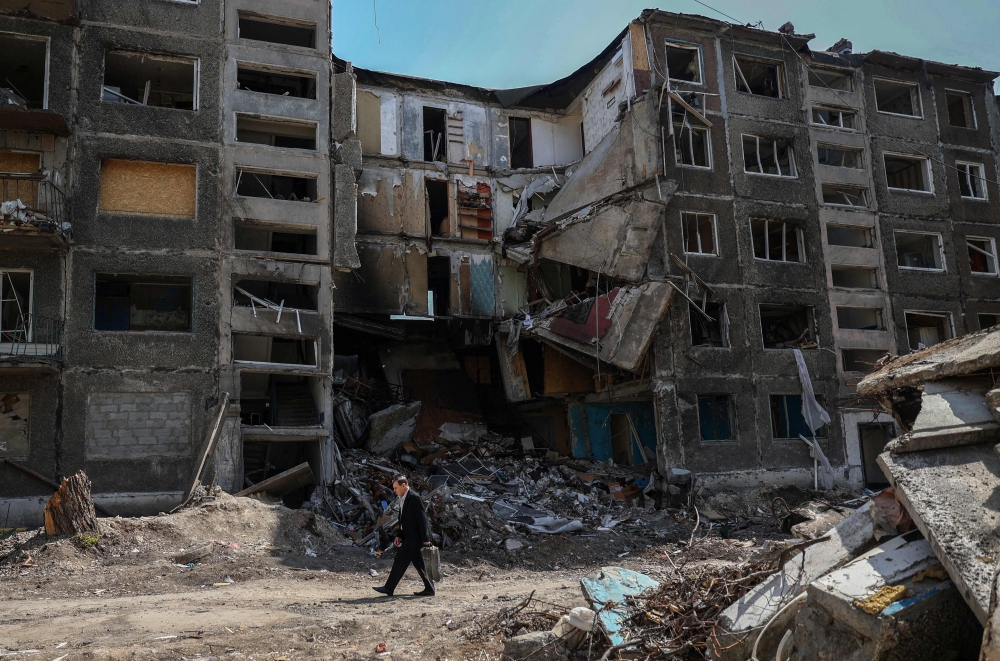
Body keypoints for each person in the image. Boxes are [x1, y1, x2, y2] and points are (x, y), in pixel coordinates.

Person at [373, 475, 435, 597]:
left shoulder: (414, 498)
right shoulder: (403, 498)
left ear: (404, 485)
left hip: (415, 538)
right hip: (409, 537)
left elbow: (422, 519)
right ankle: (430, 588)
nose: (395, 490)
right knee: (419, 564)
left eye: (396, 488)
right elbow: (403, 519)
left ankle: (389, 588)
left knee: (399, 561)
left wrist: (426, 539)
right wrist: (399, 535)